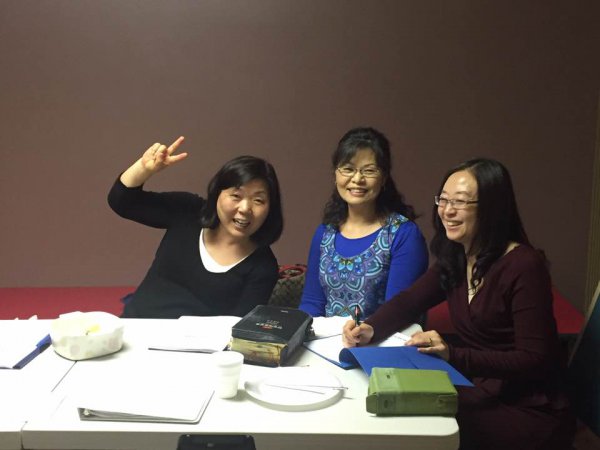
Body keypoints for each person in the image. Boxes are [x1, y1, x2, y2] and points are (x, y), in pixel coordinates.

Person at [343, 158, 575, 450]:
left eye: (461, 202)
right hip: (478, 387)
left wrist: (452, 354)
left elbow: (533, 359)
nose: (447, 211)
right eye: (443, 199)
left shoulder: (524, 265)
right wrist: (370, 328)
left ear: (492, 208)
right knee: (388, 407)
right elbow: (410, 301)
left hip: (526, 406)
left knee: (410, 425)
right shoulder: (457, 255)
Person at [108, 136, 283, 319]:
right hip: (135, 327)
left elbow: (239, 328)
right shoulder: (189, 211)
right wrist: (144, 169)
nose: (245, 208)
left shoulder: (263, 267)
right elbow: (122, 202)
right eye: (236, 196)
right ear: (217, 194)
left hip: (195, 338)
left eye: (258, 200)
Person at [299, 127, 428, 318]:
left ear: (384, 178)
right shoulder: (325, 232)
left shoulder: (404, 234)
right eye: (348, 169)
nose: (357, 179)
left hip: (383, 334)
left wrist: (361, 333)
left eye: (369, 171)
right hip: (326, 336)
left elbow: (397, 313)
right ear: (335, 174)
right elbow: (312, 302)